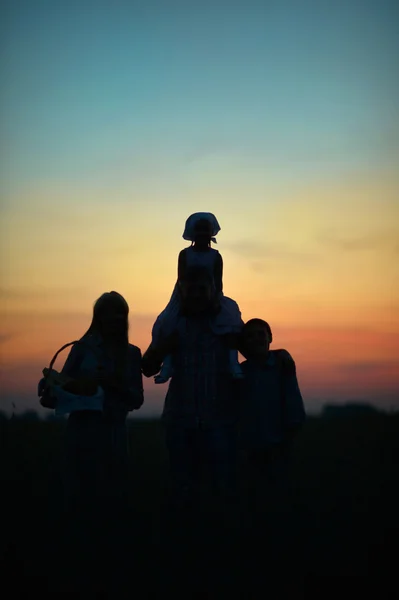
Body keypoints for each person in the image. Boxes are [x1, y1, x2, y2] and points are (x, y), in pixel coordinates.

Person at [39, 291, 144, 594]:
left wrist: (114, 387)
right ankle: (78, 565)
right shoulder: (82, 349)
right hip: (81, 433)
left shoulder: (132, 353)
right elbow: (61, 383)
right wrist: (50, 389)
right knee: (79, 496)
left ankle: (111, 566)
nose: (115, 318)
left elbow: (136, 398)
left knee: (113, 499)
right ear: (98, 317)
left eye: (120, 312)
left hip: (113, 433)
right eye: (108, 312)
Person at [142, 266, 243, 511]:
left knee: (220, 488)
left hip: (220, 421)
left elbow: (256, 351)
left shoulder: (227, 326)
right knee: (183, 489)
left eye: (202, 289)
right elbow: (146, 367)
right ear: (181, 292)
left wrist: (279, 356)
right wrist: (164, 346)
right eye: (190, 290)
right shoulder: (170, 325)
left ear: (213, 290)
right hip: (180, 421)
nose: (196, 295)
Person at [152, 212, 243, 383]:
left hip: (211, 293)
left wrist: (215, 301)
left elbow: (219, 281)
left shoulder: (216, 256)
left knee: (231, 322)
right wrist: (185, 301)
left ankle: (233, 362)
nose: (202, 234)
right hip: (185, 294)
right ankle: (168, 365)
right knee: (168, 323)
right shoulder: (184, 254)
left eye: (205, 230)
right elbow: (181, 278)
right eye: (199, 230)